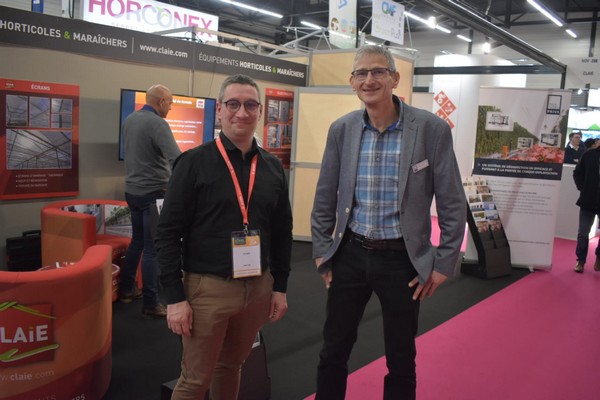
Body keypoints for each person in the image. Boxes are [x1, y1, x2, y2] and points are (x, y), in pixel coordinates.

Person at [311, 45, 467, 400]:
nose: (369, 80)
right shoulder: (342, 130)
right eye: (361, 73)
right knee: (333, 349)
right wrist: (322, 250)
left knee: (401, 356)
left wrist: (444, 262)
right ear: (352, 82)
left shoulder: (430, 130)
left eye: (378, 71)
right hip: (350, 254)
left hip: (403, 260)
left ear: (395, 78)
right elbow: (325, 195)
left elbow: (452, 200)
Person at [156, 74, 293, 400]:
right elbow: (167, 234)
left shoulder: (272, 167)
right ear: (219, 110)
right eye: (233, 104)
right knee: (195, 380)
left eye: (250, 105)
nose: (241, 113)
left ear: (259, 111)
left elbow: (282, 232)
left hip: (257, 287)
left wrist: (280, 287)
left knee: (232, 366)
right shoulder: (193, 163)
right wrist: (174, 299)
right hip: (207, 289)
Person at [121, 84, 181, 318]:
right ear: (161, 101)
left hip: (132, 192)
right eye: (170, 102)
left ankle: (127, 290)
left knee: (137, 242)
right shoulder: (158, 124)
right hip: (153, 193)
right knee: (152, 249)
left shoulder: (130, 119)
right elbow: (176, 158)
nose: (171, 107)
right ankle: (151, 302)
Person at [572, 143, 600, 273]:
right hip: (588, 200)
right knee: (583, 232)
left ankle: (599, 258)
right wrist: (583, 188)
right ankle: (581, 261)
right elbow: (577, 173)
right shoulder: (589, 155)